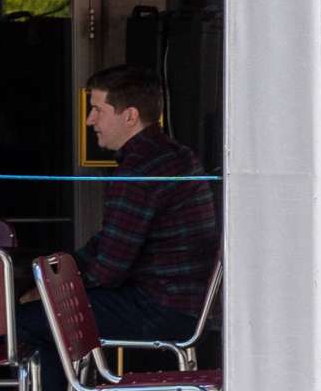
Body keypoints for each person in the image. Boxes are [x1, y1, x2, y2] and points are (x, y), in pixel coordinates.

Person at [75, 70, 217, 347]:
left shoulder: (139, 170)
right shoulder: (176, 154)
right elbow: (111, 242)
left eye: (97, 110)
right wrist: (69, 263)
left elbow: (108, 272)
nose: (90, 120)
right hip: (190, 307)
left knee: (31, 319)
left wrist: (55, 287)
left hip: (163, 310)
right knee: (50, 316)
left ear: (130, 116)